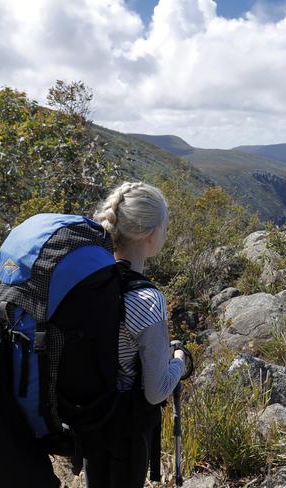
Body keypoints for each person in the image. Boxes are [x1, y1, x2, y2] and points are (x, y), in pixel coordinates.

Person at [89, 181, 186, 488]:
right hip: (125, 429)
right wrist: (180, 360)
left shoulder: (89, 281)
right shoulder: (146, 300)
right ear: (151, 234)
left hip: (89, 417)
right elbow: (156, 391)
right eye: (165, 225)